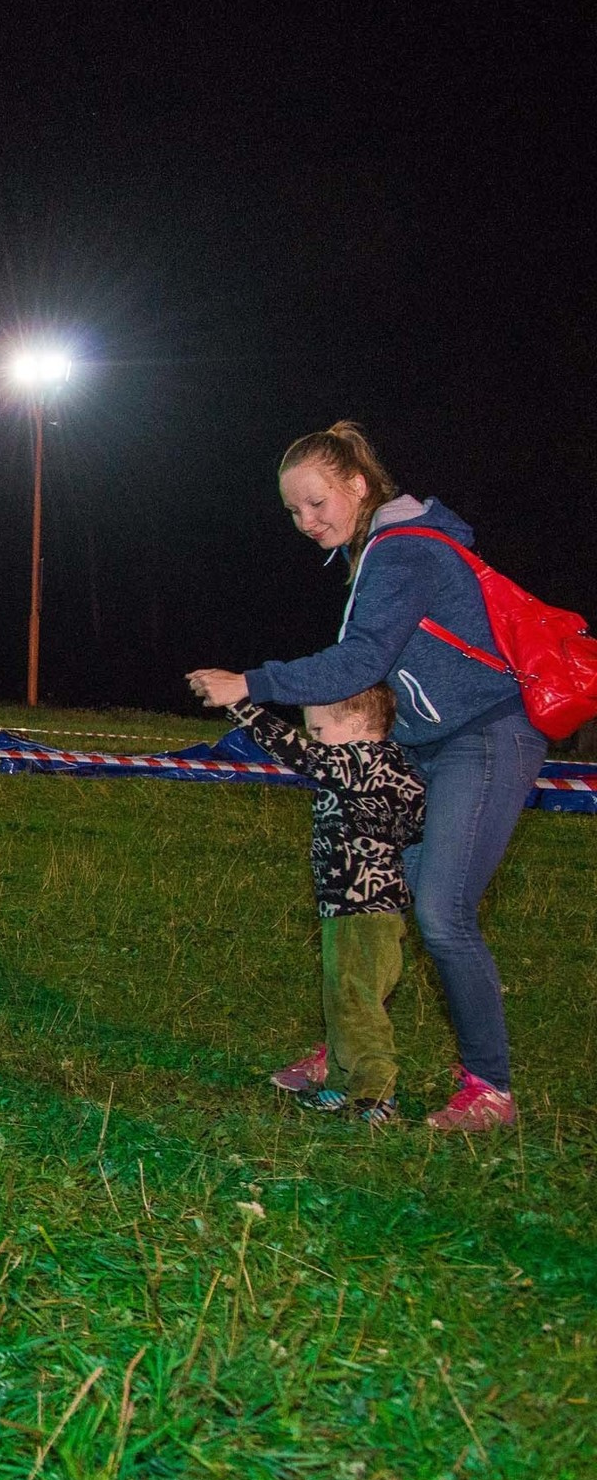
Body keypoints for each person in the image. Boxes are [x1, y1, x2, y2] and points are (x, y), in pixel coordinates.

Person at [188, 422, 546, 1131]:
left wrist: (251, 683)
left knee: (442, 912)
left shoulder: (404, 549)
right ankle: (349, 1051)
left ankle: (491, 1089)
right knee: (379, 898)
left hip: (483, 736)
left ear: (357, 484)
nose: (306, 521)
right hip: (423, 742)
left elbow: (361, 663)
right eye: (293, 510)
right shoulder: (378, 550)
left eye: (316, 502)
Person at [219, 687, 427, 1122]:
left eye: (317, 730)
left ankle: (375, 1093)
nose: (313, 739)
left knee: (357, 1001)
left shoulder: (365, 760)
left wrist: (239, 706)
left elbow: (298, 754)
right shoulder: (389, 767)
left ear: (355, 724)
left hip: (363, 907)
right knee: (343, 1000)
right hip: (352, 906)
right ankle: (340, 1084)